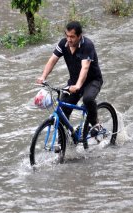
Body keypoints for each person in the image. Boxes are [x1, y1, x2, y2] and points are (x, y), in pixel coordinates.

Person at [36, 21, 103, 149]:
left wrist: (78, 86)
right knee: (62, 111)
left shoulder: (87, 45)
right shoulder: (63, 44)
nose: (69, 39)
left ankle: (96, 123)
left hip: (92, 81)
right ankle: (62, 144)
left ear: (79, 36)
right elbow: (53, 60)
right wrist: (43, 77)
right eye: (67, 35)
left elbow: (85, 67)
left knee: (88, 99)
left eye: (72, 36)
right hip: (73, 82)